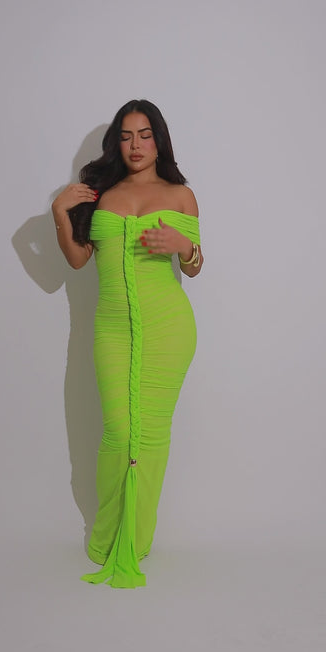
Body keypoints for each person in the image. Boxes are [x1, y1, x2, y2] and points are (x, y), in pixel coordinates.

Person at [52, 99, 203, 588]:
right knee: (118, 433)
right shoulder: (101, 194)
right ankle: (105, 539)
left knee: (152, 435)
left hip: (168, 328)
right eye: (125, 136)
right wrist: (59, 212)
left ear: (159, 140)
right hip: (112, 329)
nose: (135, 145)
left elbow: (195, 266)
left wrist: (184, 247)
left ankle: (135, 541)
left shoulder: (180, 195)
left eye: (144, 135)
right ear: (115, 143)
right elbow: (78, 260)